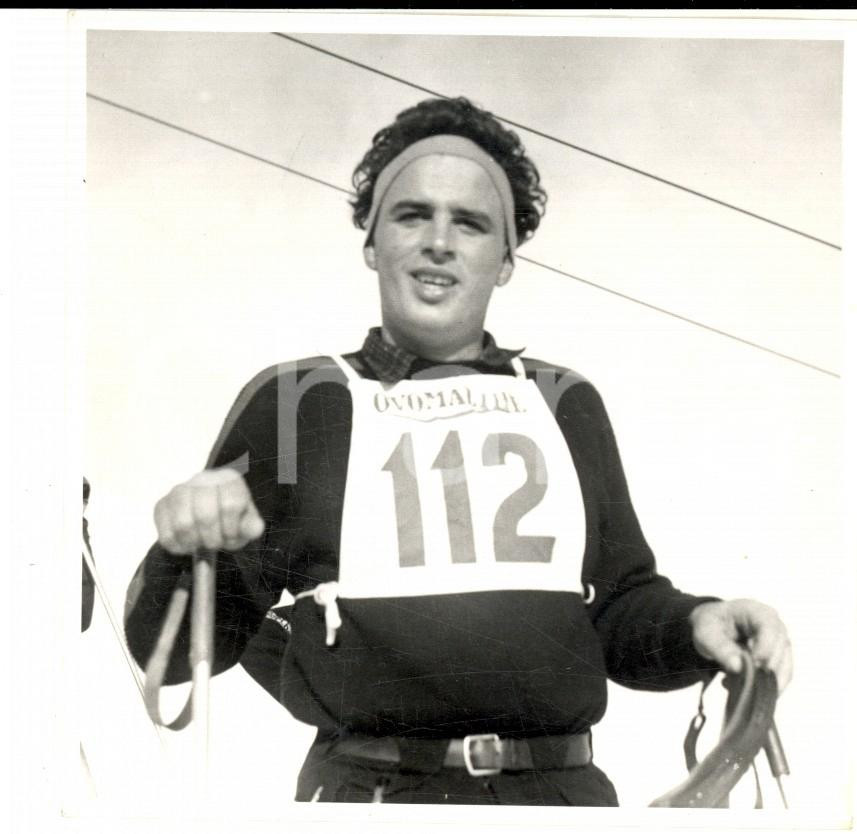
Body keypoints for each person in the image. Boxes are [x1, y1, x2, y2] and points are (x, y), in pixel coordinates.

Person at [124, 96, 792, 806]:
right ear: (371, 242)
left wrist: (698, 624)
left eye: (469, 223)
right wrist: (188, 544)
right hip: (370, 795)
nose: (438, 241)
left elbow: (618, 611)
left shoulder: (564, 401)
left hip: (561, 797)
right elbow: (171, 653)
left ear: (504, 260)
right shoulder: (301, 403)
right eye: (412, 215)